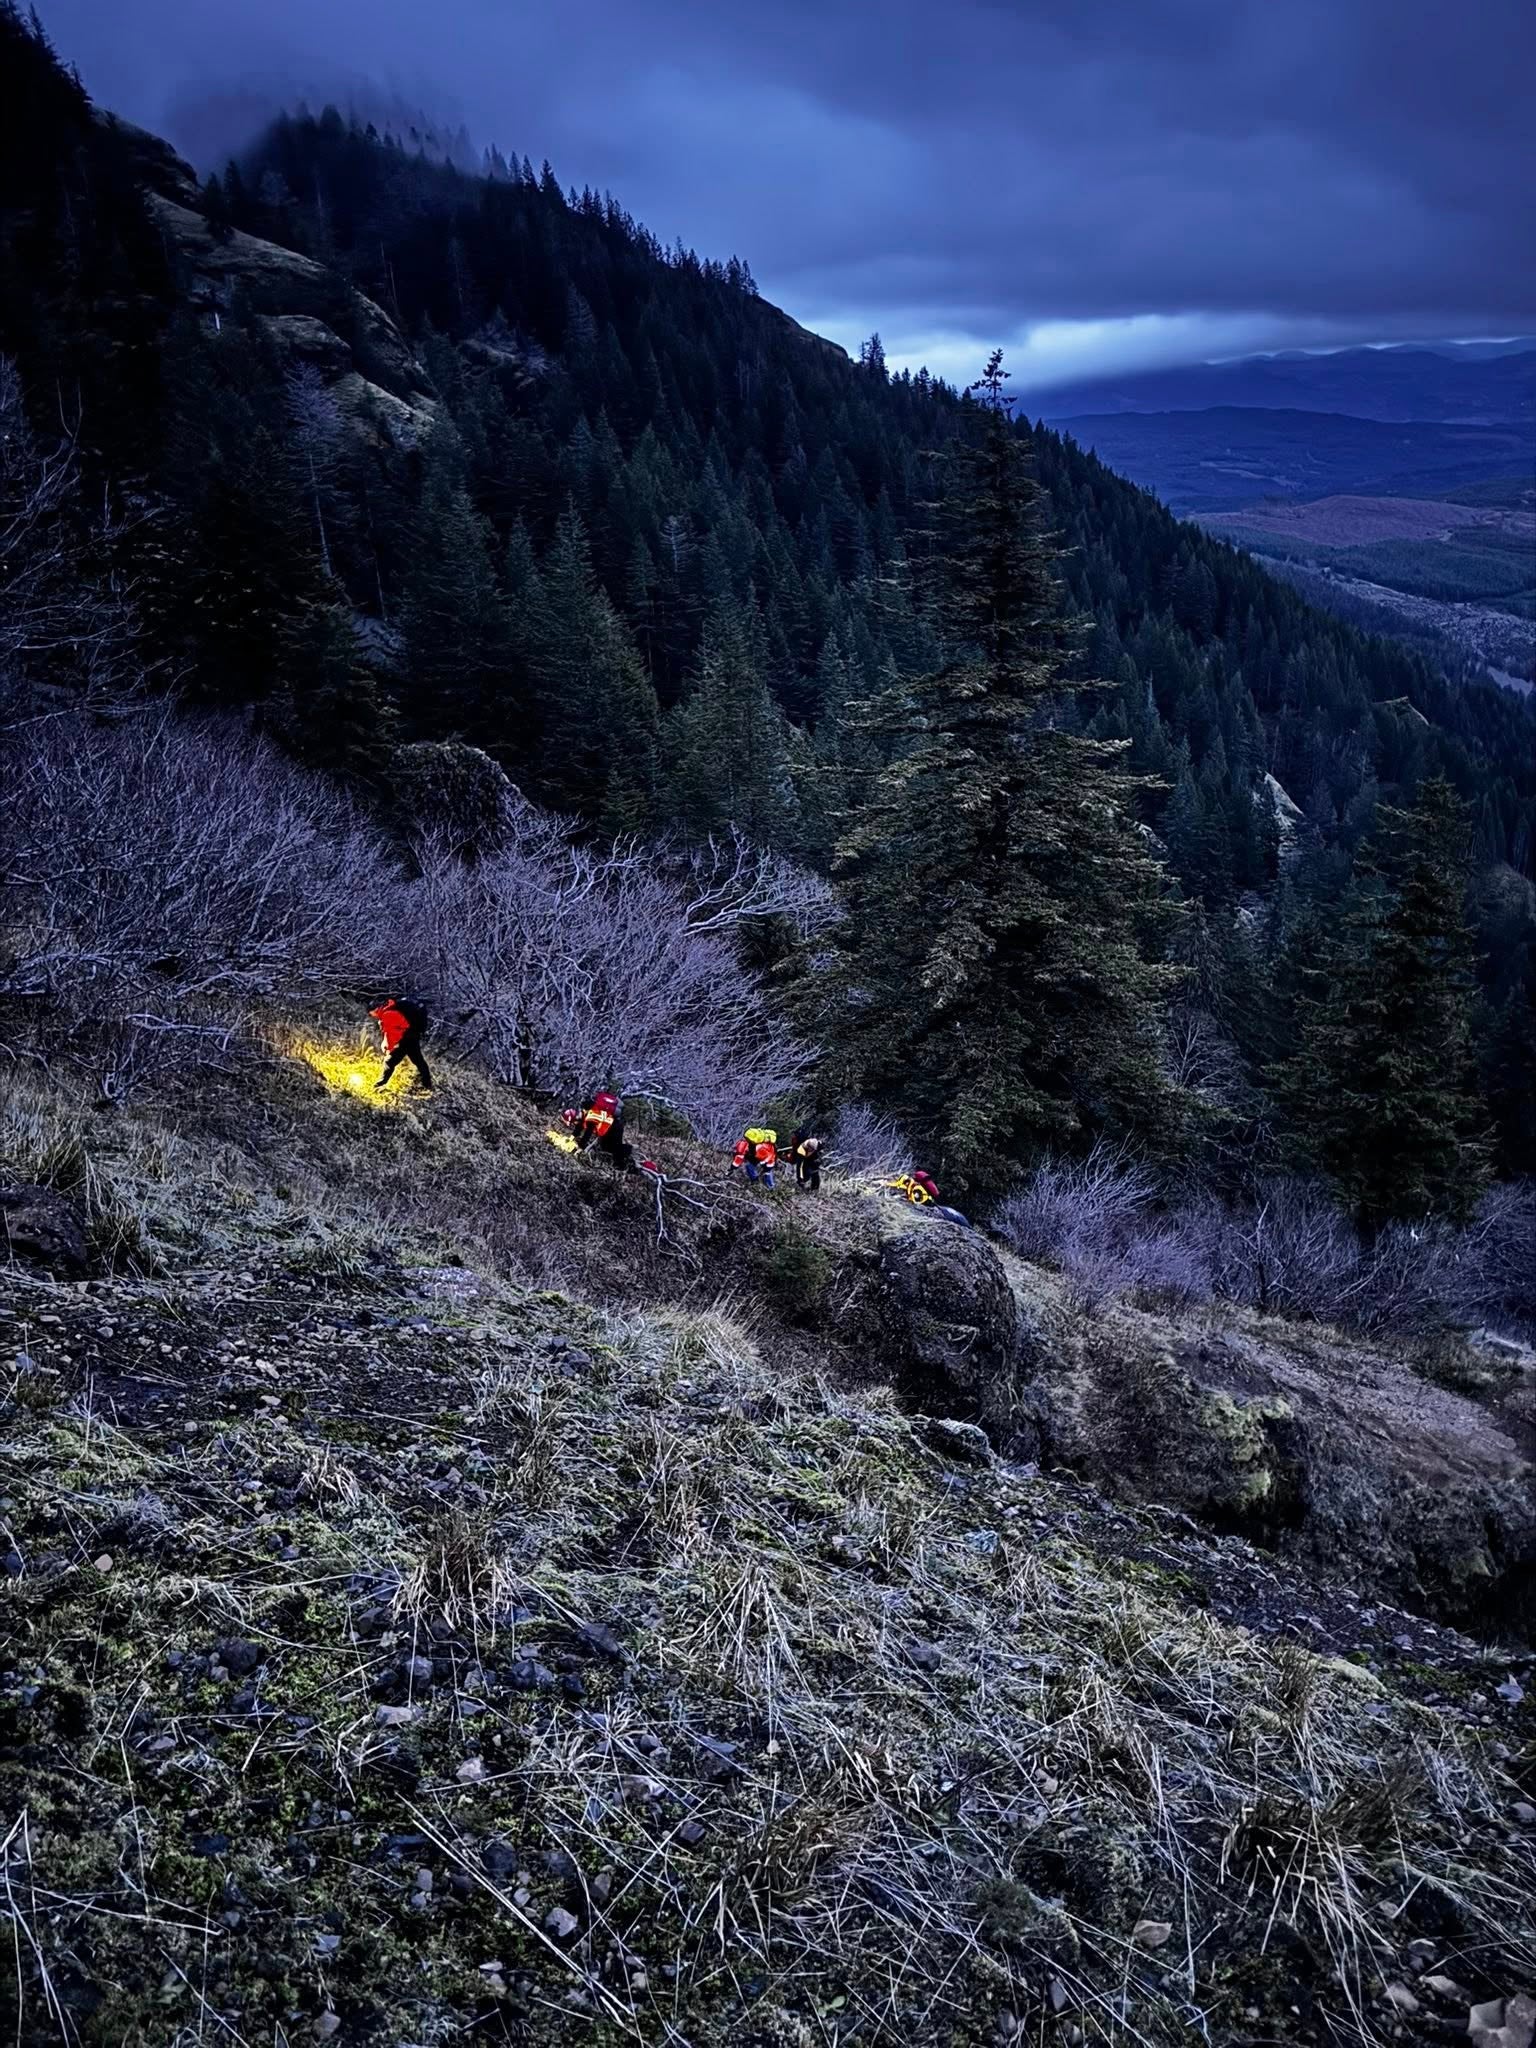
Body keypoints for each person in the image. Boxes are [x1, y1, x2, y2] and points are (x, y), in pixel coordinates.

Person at [370, 995, 433, 1092]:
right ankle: (427, 1085)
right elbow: (392, 1031)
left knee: (390, 1061)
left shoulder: (387, 1014)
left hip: (406, 1038)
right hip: (412, 1035)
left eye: (370, 1014)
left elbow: (393, 1034)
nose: (371, 1016)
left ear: (375, 1010)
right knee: (418, 1060)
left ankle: (380, 1084)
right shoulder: (389, 1010)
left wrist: (389, 1049)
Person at [573, 1090, 633, 1170]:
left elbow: (588, 1132)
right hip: (612, 1127)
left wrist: (580, 1146)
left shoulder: (593, 1113)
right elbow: (580, 1126)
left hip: (614, 1128)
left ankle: (622, 1163)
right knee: (606, 1147)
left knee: (614, 1148)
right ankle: (622, 1161)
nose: (576, 1121)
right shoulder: (587, 1112)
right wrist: (573, 1136)